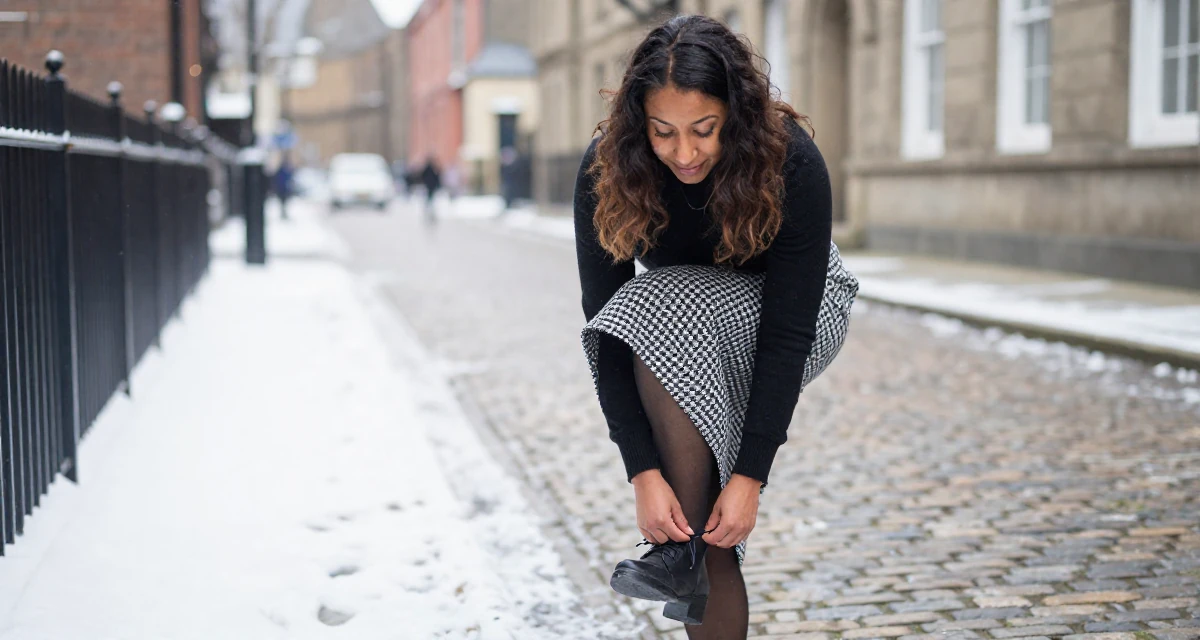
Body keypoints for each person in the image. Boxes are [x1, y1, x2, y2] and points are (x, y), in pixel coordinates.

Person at [573, 15, 859, 638]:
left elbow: (789, 334)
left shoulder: (790, 162)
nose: (684, 153)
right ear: (637, 126)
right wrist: (643, 472)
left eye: (704, 130)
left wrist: (750, 476)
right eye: (663, 133)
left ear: (736, 115)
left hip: (800, 311)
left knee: (665, 301)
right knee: (708, 532)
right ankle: (694, 555)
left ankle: (687, 559)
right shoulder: (607, 173)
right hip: (685, 324)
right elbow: (606, 330)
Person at [420, 156, 441, 221]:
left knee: (430, 198)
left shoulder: (430, 168)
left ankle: (428, 208)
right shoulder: (431, 169)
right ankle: (428, 208)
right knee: (430, 198)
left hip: (430, 185)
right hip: (431, 185)